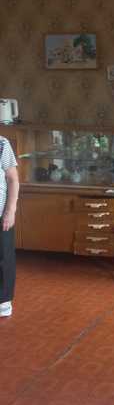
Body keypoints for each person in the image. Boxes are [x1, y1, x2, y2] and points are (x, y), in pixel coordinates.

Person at [0, 135, 19, 318]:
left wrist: (10, 210)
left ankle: (3, 301)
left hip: (1, 213)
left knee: (3, 257)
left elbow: (13, 179)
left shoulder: (1, 144)